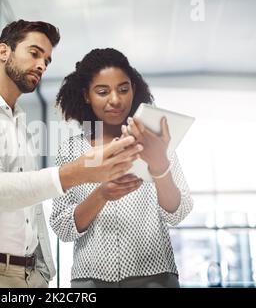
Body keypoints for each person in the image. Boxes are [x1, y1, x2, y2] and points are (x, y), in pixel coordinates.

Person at [0, 22, 141, 288]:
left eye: (47, 60)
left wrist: (41, 273)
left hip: (29, 276)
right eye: (34, 53)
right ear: (3, 51)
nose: (42, 64)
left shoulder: (18, 122)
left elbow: (27, 202)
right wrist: (76, 173)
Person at [50, 48, 194, 288]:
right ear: (86, 95)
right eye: (103, 91)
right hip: (89, 280)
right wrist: (101, 194)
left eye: (123, 89)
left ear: (133, 90)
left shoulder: (155, 141)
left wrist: (159, 165)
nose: (115, 100)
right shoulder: (71, 150)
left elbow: (178, 212)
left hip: (155, 277)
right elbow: (63, 227)